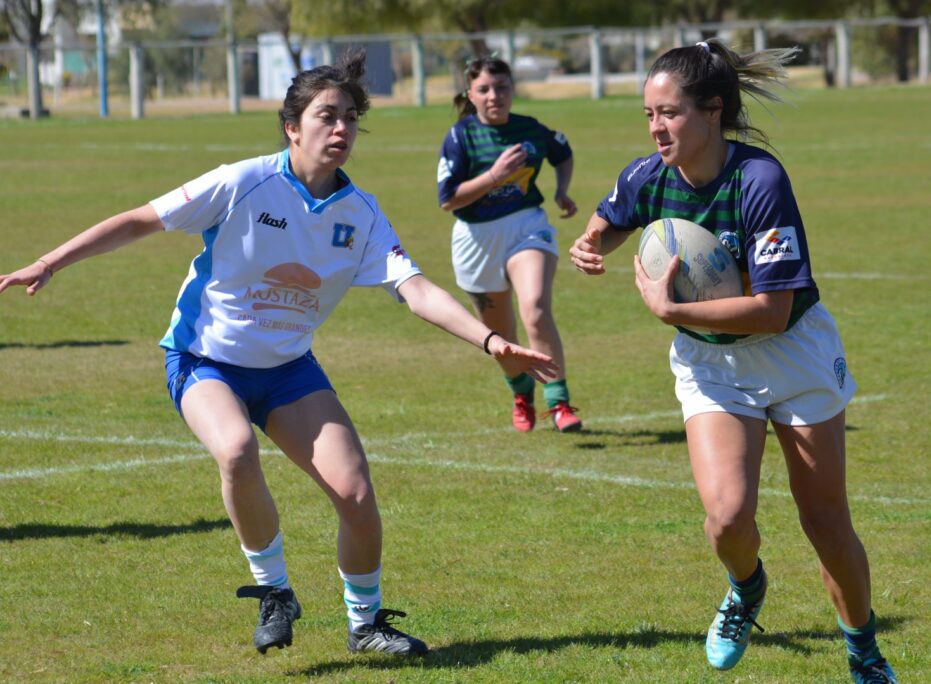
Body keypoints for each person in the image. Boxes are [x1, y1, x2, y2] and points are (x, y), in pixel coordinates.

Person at [0, 52, 557, 658]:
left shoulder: (362, 212)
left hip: (289, 370)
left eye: (350, 118)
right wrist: (51, 261)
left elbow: (415, 289)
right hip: (204, 360)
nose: (341, 129)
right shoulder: (243, 182)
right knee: (236, 449)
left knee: (356, 493)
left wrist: (491, 340)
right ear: (292, 127)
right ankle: (274, 592)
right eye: (326, 117)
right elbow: (142, 220)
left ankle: (365, 625)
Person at [568, 40, 897, 684]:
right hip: (712, 364)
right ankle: (746, 588)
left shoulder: (759, 181)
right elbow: (611, 218)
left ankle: (864, 651)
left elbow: (772, 310)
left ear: (712, 111)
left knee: (825, 520)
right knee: (726, 518)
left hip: (792, 351)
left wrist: (673, 313)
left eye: (670, 113)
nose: (657, 127)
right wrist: (591, 244)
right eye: (648, 115)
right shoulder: (647, 175)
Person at [437, 55, 582, 433]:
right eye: (484, 89)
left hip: (526, 227)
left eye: (501, 87)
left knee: (535, 308)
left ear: (512, 90)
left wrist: (561, 191)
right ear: (470, 93)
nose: (494, 96)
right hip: (476, 240)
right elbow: (448, 199)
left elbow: (562, 153)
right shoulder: (460, 136)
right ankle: (520, 392)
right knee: (499, 339)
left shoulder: (530, 129)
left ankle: (560, 402)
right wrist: (494, 176)